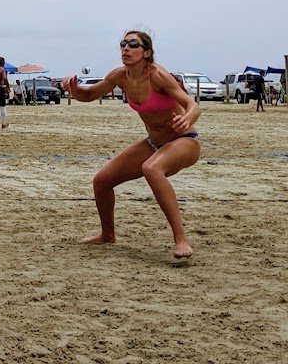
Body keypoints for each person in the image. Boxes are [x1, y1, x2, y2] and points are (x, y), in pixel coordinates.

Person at [61, 30, 201, 260]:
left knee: (151, 168)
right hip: (154, 142)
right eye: (123, 43)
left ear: (147, 52)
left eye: (133, 44)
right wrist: (74, 89)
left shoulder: (158, 76)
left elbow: (192, 105)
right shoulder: (120, 76)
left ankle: (181, 240)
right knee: (102, 181)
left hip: (184, 141)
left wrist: (187, 118)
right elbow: (89, 94)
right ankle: (107, 235)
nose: (126, 48)